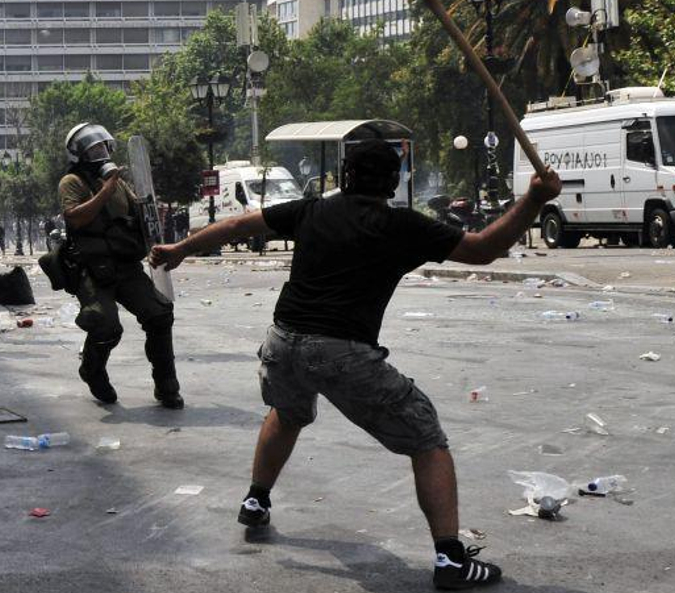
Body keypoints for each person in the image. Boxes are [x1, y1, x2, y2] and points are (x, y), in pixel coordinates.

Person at [151, 140, 562, 590]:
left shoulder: (312, 211)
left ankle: (256, 501)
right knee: (427, 438)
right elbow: (484, 248)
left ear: (345, 175)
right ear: (394, 180)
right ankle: (450, 561)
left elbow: (234, 224)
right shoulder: (401, 225)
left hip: (283, 341)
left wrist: (181, 249)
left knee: (287, 413)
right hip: (340, 351)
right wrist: (534, 200)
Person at [59, 122, 183, 409]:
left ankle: (167, 386)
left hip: (126, 266)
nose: (100, 152)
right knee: (105, 326)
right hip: (92, 269)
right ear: (80, 155)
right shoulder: (73, 182)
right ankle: (92, 369)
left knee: (159, 315)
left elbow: (138, 212)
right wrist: (105, 189)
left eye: (102, 146)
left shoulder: (118, 184)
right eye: (92, 149)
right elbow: (75, 218)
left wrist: (150, 209)